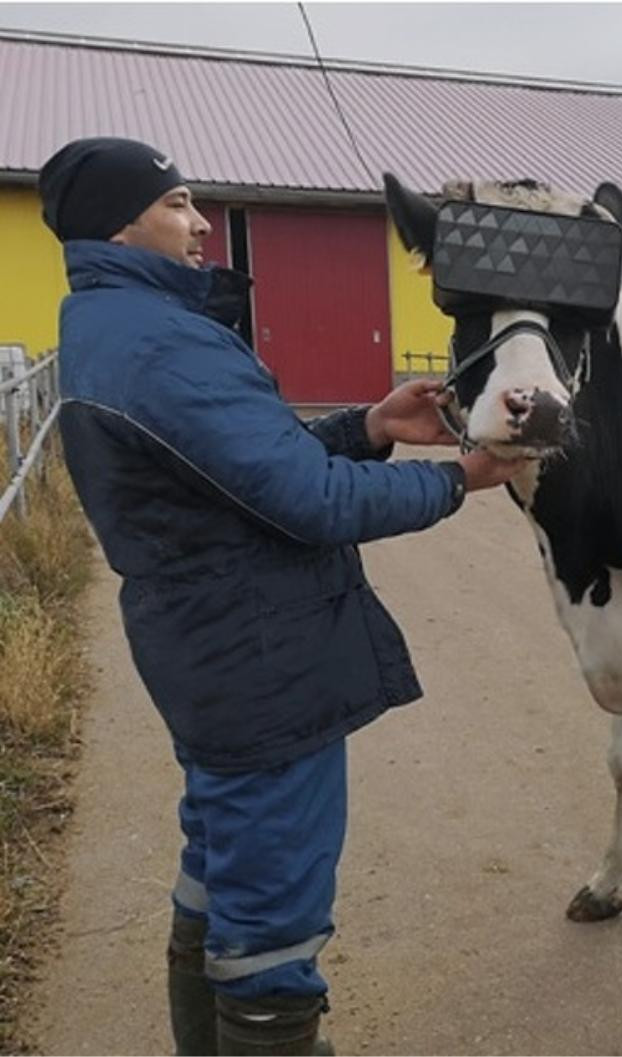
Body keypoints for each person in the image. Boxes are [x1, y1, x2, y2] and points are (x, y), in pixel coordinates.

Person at [38, 137, 525, 1056]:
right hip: (258, 663)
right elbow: (313, 501)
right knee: (273, 927)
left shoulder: (120, 326)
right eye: (178, 201)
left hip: (214, 650)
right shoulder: (158, 342)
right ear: (120, 221)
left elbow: (249, 472)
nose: (200, 221)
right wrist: (461, 477)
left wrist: (372, 425)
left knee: (219, 876)